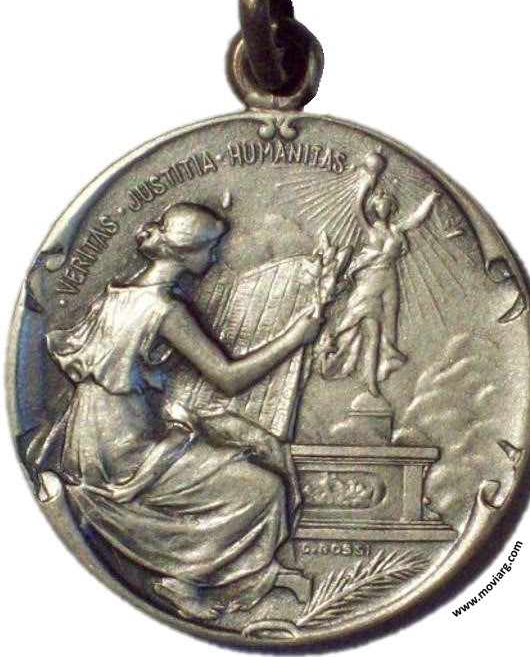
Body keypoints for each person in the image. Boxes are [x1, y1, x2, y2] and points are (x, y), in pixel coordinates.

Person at [44, 202, 322, 621]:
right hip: (127, 453)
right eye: (211, 248)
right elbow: (228, 378)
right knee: (262, 488)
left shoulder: (117, 295)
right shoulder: (164, 310)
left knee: (237, 453)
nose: (215, 257)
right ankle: (187, 578)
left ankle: (229, 572)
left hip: (90, 439)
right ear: (185, 251)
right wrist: (295, 337)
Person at [320, 163, 440, 399]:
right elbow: (357, 207)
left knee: (386, 330)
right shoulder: (370, 229)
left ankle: (376, 375)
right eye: (378, 202)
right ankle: (354, 371)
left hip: (389, 281)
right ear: (374, 207)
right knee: (366, 327)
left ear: (391, 206)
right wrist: (367, 183)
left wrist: (433, 196)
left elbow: (417, 218)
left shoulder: (396, 230)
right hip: (369, 281)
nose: (382, 205)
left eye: (386, 202)